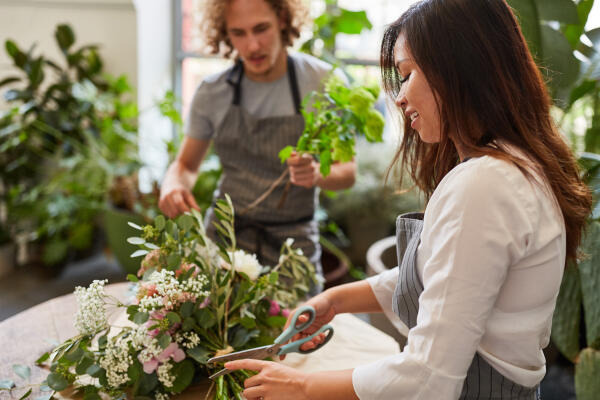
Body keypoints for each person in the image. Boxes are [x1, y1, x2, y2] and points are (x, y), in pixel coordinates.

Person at [223, 0, 593, 399]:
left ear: (459, 68)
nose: (399, 98)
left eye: (407, 74)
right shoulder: (510, 168)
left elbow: (429, 376)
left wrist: (299, 385)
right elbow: (455, 276)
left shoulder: (484, 186)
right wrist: (337, 299)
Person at [159, 0, 356, 279]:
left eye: (261, 29)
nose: (252, 46)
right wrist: (173, 183)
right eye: (238, 33)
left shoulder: (322, 83)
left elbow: (347, 172)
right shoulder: (212, 92)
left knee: (301, 320)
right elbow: (187, 166)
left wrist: (316, 173)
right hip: (226, 237)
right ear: (226, 33)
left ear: (283, 19)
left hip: (294, 245)